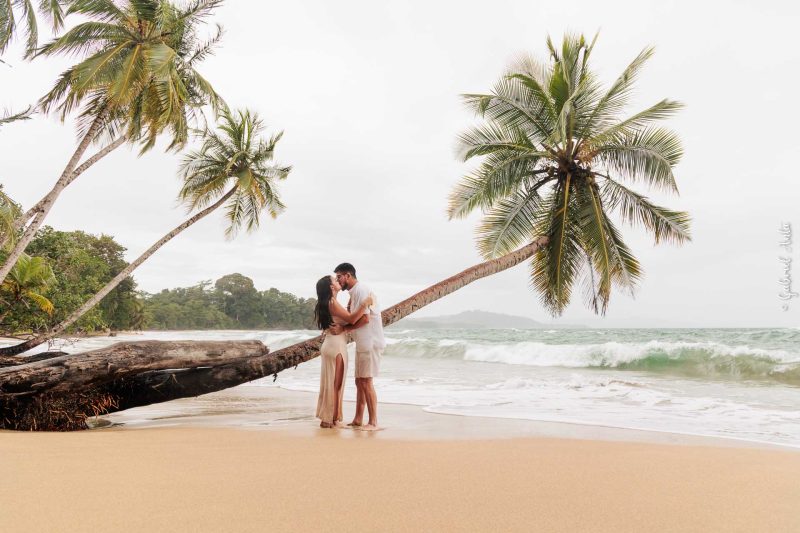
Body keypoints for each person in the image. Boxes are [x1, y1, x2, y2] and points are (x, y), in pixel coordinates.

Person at [331, 262, 385, 431]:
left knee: (366, 381)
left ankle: (373, 422)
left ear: (348, 275)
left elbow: (365, 318)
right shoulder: (355, 293)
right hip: (363, 342)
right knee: (359, 381)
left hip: (370, 342)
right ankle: (358, 419)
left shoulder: (361, 290)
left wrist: (344, 329)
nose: (338, 281)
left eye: (339, 276)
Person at [313, 275, 373, 428]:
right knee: (336, 384)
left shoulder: (328, 303)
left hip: (331, 344)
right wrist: (364, 304)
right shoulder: (332, 302)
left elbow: (342, 318)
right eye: (335, 280)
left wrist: (348, 309)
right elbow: (352, 319)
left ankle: (331, 417)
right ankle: (328, 419)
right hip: (336, 346)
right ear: (331, 287)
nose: (338, 281)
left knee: (331, 383)